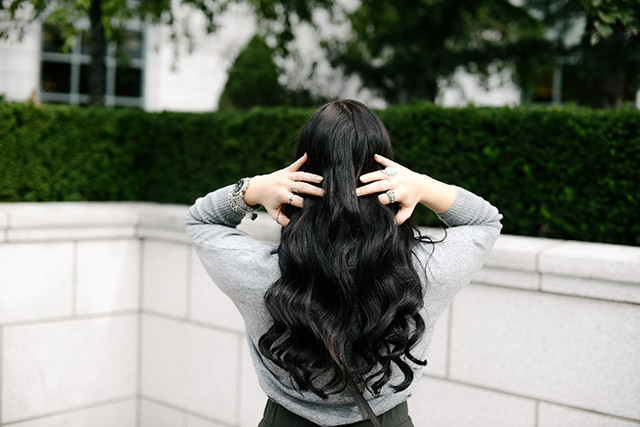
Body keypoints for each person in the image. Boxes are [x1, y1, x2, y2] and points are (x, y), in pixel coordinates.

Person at [186, 99, 502, 426]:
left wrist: (252, 189)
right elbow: (486, 222)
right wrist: (423, 186)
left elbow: (200, 221)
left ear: (301, 175)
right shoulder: (421, 273)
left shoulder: (261, 274)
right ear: (386, 175)